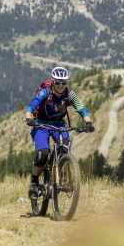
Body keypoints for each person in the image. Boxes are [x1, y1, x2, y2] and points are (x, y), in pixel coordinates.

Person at [23, 66, 93, 198]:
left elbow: (81, 107)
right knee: (42, 154)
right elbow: (32, 105)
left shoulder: (69, 94)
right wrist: (29, 116)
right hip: (41, 124)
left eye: (64, 83)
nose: (61, 86)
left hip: (59, 125)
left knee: (64, 150)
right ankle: (34, 182)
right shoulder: (45, 92)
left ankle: (62, 178)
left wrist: (88, 121)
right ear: (53, 82)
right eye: (58, 82)